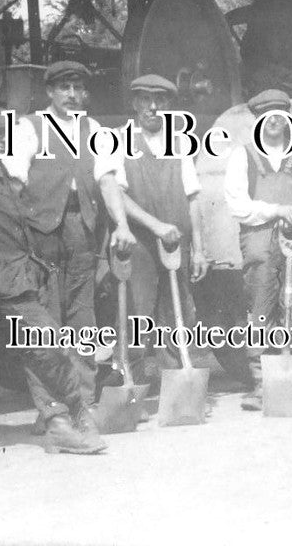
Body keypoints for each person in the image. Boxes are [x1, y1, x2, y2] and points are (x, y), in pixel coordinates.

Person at [0, 121, 106, 455]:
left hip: (20, 278)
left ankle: (61, 424)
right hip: (1, 283)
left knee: (40, 350)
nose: (0, 138)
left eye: (3, 133)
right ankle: (65, 421)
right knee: (51, 347)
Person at [9, 61, 133, 428]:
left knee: (83, 318)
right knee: (45, 320)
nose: (73, 95)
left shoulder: (95, 130)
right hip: (39, 233)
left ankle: (83, 404)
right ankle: (52, 410)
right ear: (49, 92)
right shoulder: (28, 128)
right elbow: (14, 184)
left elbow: (109, 182)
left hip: (82, 228)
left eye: (79, 88)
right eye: (64, 87)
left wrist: (122, 225)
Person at [223, 89, 292, 410]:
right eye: (266, 116)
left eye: (279, 116)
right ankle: (260, 384)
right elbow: (237, 204)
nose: (273, 122)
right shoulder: (243, 155)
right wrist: (276, 211)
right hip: (260, 242)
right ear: (257, 121)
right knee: (260, 310)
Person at [102, 74, 208, 384]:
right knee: (137, 317)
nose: (152, 107)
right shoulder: (118, 140)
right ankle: (128, 384)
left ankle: (176, 387)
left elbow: (193, 198)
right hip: (139, 245)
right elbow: (117, 195)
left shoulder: (179, 143)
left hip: (176, 244)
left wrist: (199, 249)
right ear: (134, 103)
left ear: (168, 105)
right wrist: (157, 226)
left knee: (179, 318)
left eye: (160, 100)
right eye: (145, 99)